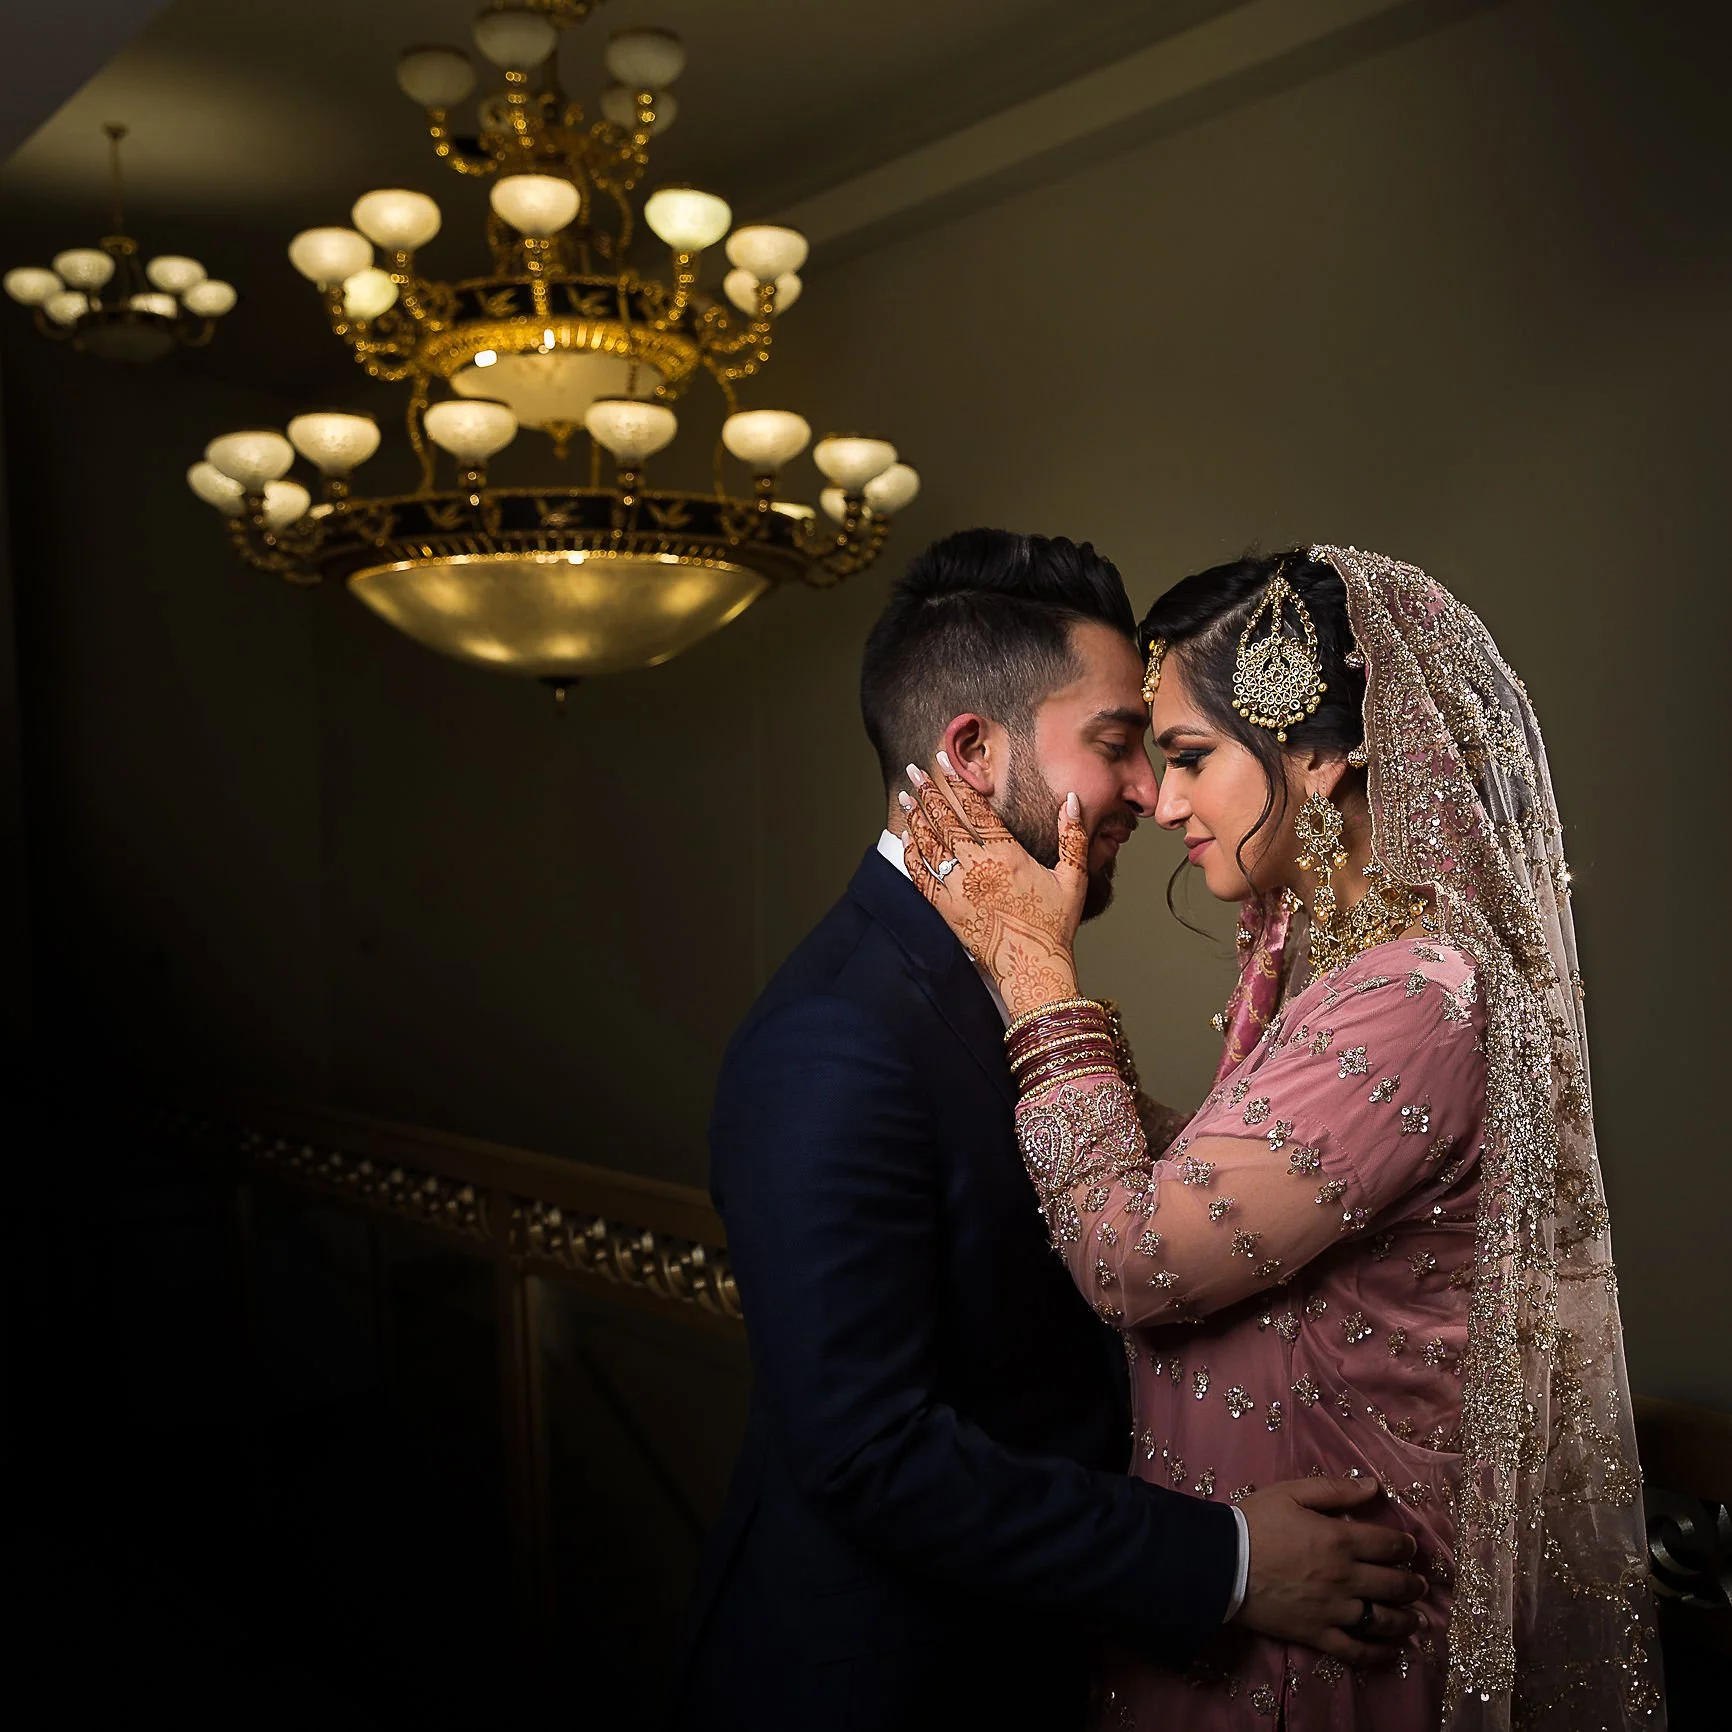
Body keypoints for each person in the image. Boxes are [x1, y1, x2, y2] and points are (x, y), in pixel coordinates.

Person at [897, 544, 1663, 1730]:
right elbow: (1219, 1185)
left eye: (1193, 757)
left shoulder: (1417, 996)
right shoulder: (1349, 971)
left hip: (1324, 1653)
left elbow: (1132, 1252)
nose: (1161, 801)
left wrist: (1036, 975)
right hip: (1269, 1614)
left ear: (1317, 753)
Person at [671, 531, 1425, 1731]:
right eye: (1120, 746)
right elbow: (869, 1452)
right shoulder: (833, 1036)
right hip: (889, 1683)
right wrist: (1225, 1559)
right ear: (973, 752)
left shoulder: (1020, 978)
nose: (1149, 791)